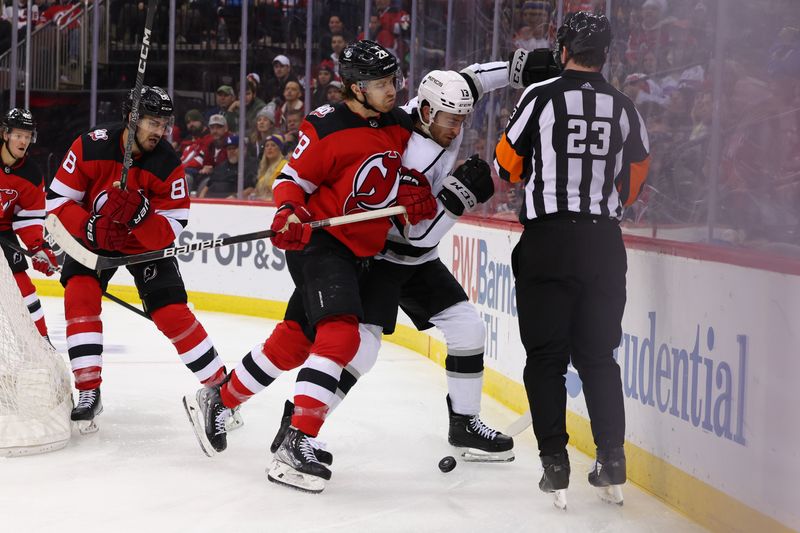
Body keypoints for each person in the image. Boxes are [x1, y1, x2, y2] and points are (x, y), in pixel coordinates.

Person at [266, 49, 555, 465]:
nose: (458, 127)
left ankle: (464, 424)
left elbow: (471, 79)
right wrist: (457, 200)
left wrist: (516, 69)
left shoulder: (429, 108)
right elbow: (412, 234)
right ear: (425, 111)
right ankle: (296, 429)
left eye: (463, 118)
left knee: (467, 328)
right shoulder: (411, 157)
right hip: (386, 259)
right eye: (451, 119)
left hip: (419, 261)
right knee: (361, 350)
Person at [182, 40, 438, 493]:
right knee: (340, 331)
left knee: (295, 341)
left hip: (362, 251)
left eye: (393, 81)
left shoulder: (398, 125)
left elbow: (405, 172)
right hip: (320, 242)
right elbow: (291, 180)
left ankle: (217, 400)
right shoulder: (325, 125)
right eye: (380, 84)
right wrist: (286, 212)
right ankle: (297, 440)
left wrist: (411, 192)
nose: (391, 90)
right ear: (355, 88)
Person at [494, 12, 651, 508]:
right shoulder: (626, 106)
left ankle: (555, 462)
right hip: (604, 243)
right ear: (605, 54)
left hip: (548, 240)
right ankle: (611, 457)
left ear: (563, 50)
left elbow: (507, 164)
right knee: (598, 356)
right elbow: (636, 180)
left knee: (545, 357)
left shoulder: (539, 96)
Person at [47, 86, 234, 433]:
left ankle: (222, 392)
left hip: (141, 244)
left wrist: (141, 219)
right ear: (131, 118)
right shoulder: (90, 145)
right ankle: (89, 390)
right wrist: (89, 227)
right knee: (79, 295)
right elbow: (56, 201)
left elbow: (173, 224)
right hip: (94, 237)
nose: (159, 131)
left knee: (171, 312)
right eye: (152, 122)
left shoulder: (166, 161)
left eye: (164, 124)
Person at [0, 108, 58, 338]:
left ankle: (42, 344)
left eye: (27, 136)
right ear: (5, 134)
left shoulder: (31, 174)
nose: (24, 141)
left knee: (25, 289)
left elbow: (29, 217)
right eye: (18, 135)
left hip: (3, 230)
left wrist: (37, 247)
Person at [198, 135, 257, 199]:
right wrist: (201, 196)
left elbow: (252, 188)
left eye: (234, 148)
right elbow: (208, 184)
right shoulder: (221, 166)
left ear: (244, 149)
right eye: (229, 149)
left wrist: (235, 197)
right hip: (210, 200)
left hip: (233, 201)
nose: (231, 151)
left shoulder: (251, 164)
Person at [251, 134, 286, 201]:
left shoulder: (284, 166)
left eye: (273, 145)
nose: (269, 148)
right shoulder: (263, 168)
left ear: (279, 149)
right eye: (267, 146)